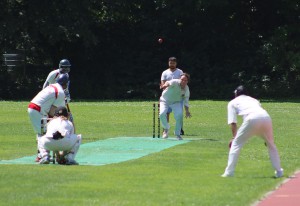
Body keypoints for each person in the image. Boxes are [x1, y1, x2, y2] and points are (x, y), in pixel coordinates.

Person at [221, 85, 283, 178]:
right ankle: (279, 171)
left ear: (236, 94)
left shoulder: (232, 102)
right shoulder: (254, 100)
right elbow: (259, 113)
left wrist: (234, 137)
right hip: (266, 117)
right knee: (271, 145)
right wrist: (267, 138)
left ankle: (229, 172)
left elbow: (233, 122)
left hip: (252, 119)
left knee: (236, 144)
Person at [28, 73, 69, 162]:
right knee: (42, 133)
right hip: (38, 110)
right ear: (65, 83)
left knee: (42, 132)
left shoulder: (53, 86)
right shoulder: (60, 92)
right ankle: (44, 156)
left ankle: (41, 155)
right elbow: (54, 111)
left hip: (35, 108)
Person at [159, 73, 191, 140]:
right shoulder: (175, 81)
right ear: (180, 79)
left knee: (179, 115)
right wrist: (164, 85)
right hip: (165, 100)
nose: (183, 81)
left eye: (185, 80)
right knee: (162, 114)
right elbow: (168, 82)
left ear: (187, 81)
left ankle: (177, 134)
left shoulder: (186, 89)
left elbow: (186, 101)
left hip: (176, 102)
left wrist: (187, 111)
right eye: (182, 79)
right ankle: (166, 128)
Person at [160, 57, 185, 135]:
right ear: (168, 63)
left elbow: (183, 82)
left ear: (176, 63)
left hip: (177, 97)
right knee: (165, 113)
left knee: (179, 113)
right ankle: (165, 130)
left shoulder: (180, 72)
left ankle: (179, 129)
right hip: (168, 96)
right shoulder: (165, 72)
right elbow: (162, 83)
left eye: (173, 63)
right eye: (170, 63)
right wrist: (163, 87)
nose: (172, 64)